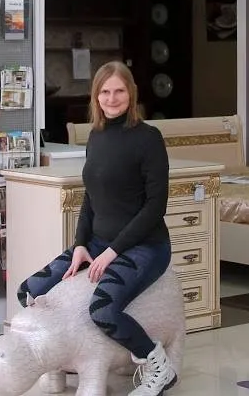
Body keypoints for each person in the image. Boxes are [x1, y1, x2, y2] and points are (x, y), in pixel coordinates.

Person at [17, 61, 176, 396]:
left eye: (119, 91)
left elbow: (155, 207)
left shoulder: (149, 138)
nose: (112, 98)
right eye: (105, 91)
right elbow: (91, 197)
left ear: (131, 94)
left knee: (103, 310)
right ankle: (62, 360)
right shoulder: (97, 136)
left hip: (146, 246)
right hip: (98, 241)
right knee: (29, 291)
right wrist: (80, 245)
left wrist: (112, 252)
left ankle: (158, 365)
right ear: (96, 96)